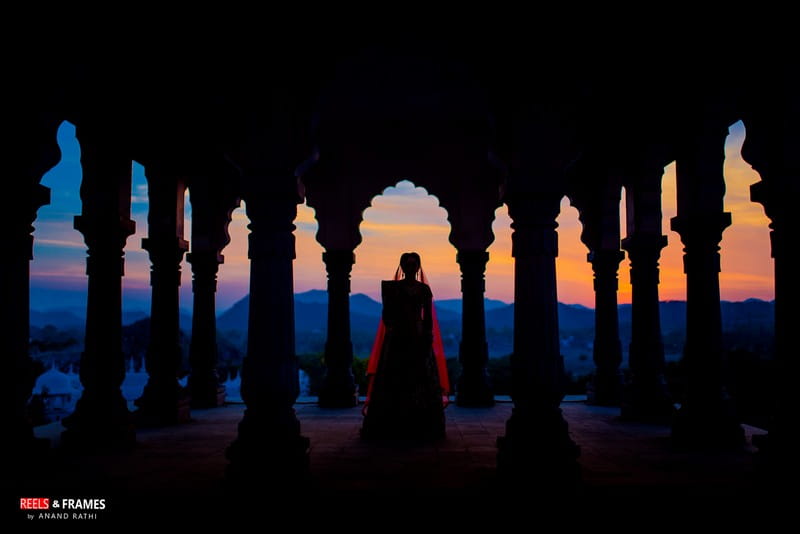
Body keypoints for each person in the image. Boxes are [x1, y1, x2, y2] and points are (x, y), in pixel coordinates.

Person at [361, 252, 448, 440]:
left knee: (418, 377)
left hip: (417, 336)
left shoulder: (424, 290)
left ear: (418, 268)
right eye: (407, 265)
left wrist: (428, 335)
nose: (410, 268)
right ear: (402, 267)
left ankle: (419, 424)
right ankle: (394, 424)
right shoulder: (394, 289)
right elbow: (387, 314)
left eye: (413, 264)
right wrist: (392, 328)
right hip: (398, 337)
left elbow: (428, 318)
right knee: (396, 377)